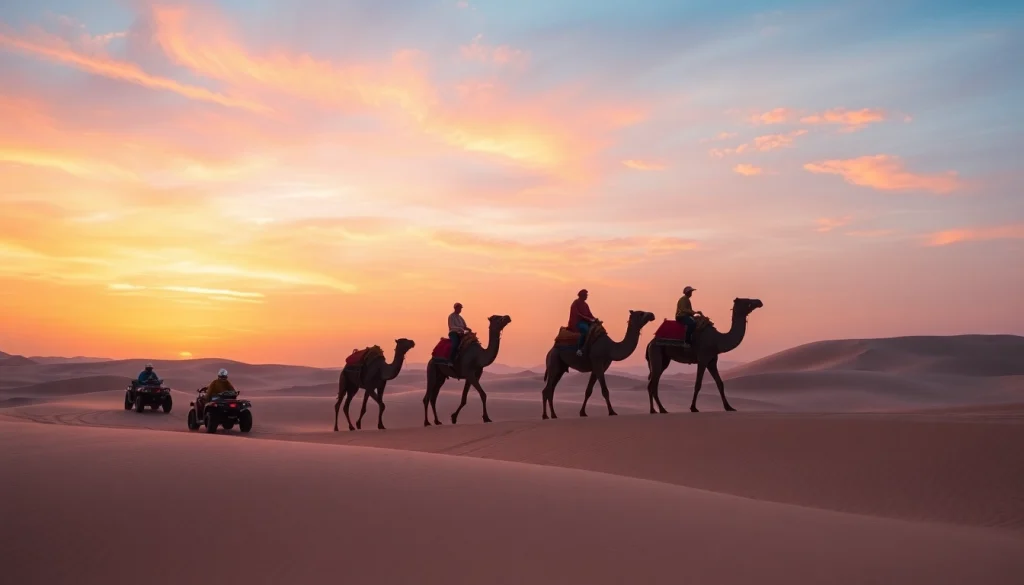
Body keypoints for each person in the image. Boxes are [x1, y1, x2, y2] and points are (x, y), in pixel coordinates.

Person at [568, 289, 598, 356]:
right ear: (582, 296)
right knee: (585, 330)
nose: (587, 296)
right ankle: (579, 349)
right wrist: (589, 319)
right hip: (577, 322)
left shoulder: (585, 305)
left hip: (586, 322)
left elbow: (590, 314)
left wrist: (595, 319)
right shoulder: (575, 303)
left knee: (597, 329)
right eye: (585, 295)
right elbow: (577, 314)